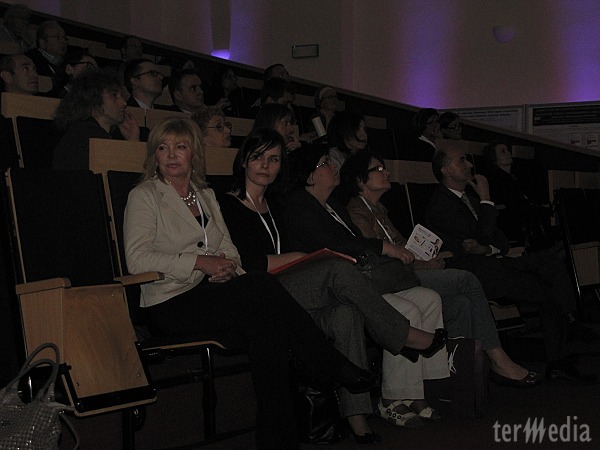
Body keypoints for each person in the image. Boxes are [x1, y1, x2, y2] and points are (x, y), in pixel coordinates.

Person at [122, 117, 378, 449]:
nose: (172, 155)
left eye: (180, 147)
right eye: (163, 147)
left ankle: (278, 441)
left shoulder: (205, 195)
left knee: (266, 328)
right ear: (154, 155)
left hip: (211, 295)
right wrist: (200, 262)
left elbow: (229, 249)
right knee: (261, 286)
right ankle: (328, 362)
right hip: (168, 303)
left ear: (193, 153)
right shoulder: (144, 195)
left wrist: (227, 267)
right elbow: (138, 260)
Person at [219, 128, 448, 442]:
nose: (266, 165)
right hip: (262, 293)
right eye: (258, 157)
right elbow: (248, 263)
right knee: (336, 268)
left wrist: (301, 260)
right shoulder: (228, 205)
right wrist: (300, 257)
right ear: (244, 160)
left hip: (295, 290)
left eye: (274, 159)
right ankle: (404, 335)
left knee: (345, 314)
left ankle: (357, 418)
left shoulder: (275, 204)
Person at [283, 144, 451, 429]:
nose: (334, 166)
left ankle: (415, 391)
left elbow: (353, 245)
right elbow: (334, 245)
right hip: (331, 289)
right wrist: (384, 248)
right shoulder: (298, 204)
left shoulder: (334, 206)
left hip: (358, 280)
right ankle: (393, 397)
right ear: (309, 175)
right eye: (325, 163)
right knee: (408, 309)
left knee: (428, 297)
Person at [341, 150, 542, 387]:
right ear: (360, 180)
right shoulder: (357, 212)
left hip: (407, 273)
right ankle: (498, 358)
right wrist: (424, 265)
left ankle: (459, 377)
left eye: (385, 167)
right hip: (392, 280)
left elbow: (405, 249)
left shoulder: (380, 210)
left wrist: (429, 260)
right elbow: (380, 258)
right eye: (378, 169)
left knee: (461, 304)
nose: (386, 173)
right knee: (466, 279)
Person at [425, 146, 594, 382]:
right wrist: (486, 200)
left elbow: (500, 241)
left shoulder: (469, 199)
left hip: (496, 260)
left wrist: (487, 248)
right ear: (445, 170)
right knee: (547, 289)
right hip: (478, 273)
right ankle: (563, 345)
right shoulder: (441, 204)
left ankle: (571, 320)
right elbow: (482, 236)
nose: (469, 165)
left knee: (549, 262)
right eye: (461, 160)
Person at [52, 69, 141, 170]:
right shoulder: (87, 136)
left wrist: (132, 140)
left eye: (122, 96)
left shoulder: (84, 131)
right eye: (114, 95)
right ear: (93, 98)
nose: (124, 103)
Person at [481, 140, 554, 250]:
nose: (508, 153)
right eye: (503, 152)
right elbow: (510, 202)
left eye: (507, 150)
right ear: (494, 158)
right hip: (510, 219)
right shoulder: (495, 179)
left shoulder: (518, 176)